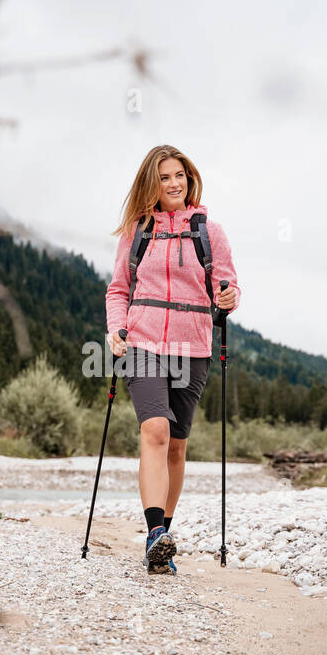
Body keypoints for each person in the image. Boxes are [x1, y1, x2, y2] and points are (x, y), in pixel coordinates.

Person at [104, 145, 240, 575]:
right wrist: (115, 328)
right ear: (152, 183)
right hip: (142, 343)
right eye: (164, 177)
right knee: (156, 432)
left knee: (177, 447)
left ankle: (164, 534)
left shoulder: (209, 231)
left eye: (179, 174)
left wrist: (229, 297)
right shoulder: (137, 231)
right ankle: (154, 536)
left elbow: (228, 287)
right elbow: (117, 290)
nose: (174, 183)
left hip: (193, 347)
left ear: (189, 177)